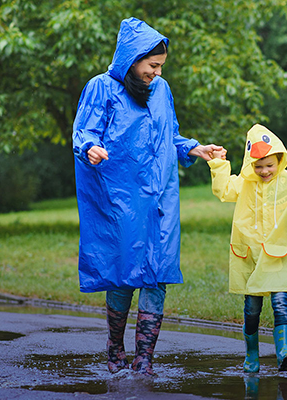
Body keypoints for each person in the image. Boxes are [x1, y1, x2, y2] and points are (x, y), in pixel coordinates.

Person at [71, 17, 222, 376]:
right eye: (152, 65)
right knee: (125, 272)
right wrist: (90, 147)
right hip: (120, 196)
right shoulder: (102, 88)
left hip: (161, 197)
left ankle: (145, 358)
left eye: (160, 66)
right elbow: (84, 131)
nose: (156, 72)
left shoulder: (161, 90)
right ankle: (114, 349)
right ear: (132, 59)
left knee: (158, 273)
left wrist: (194, 148)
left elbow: (169, 134)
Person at [207, 124, 287, 372]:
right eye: (258, 166)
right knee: (252, 308)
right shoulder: (244, 183)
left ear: (280, 159)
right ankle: (251, 356)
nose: (264, 170)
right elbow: (223, 190)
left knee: (280, 302)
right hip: (250, 256)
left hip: (277, 254)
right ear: (250, 164)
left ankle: (284, 352)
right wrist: (219, 164)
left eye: (269, 165)